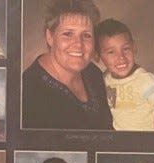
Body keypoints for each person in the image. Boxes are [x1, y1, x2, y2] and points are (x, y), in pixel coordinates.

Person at [22, 0, 113, 130]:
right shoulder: (29, 91)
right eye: (68, 34)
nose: (78, 44)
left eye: (86, 35)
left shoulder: (93, 73)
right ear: (50, 37)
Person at [95, 18, 154, 131]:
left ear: (134, 47)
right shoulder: (104, 79)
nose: (121, 58)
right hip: (120, 143)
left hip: (147, 143)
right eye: (111, 52)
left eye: (126, 49)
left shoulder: (146, 80)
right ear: (97, 56)